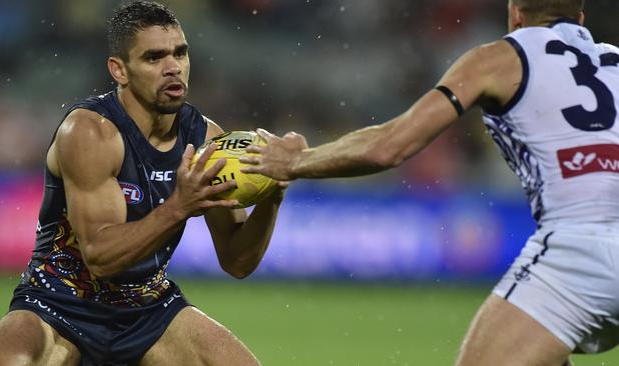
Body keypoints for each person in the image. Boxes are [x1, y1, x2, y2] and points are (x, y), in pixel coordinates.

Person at [241, 0, 619, 365]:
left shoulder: (498, 58)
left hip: (576, 246)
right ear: (581, 19)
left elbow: (389, 147)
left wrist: (295, 161)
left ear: (515, 16)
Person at [0, 1, 286, 365]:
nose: (173, 68)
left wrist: (272, 193)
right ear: (119, 70)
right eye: (154, 57)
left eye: (180, 53)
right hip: (58, 304)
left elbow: (238, 262)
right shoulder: (89, 133)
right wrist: (179, 206)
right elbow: (101, 258)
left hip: (149, 309)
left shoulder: (205, 140)